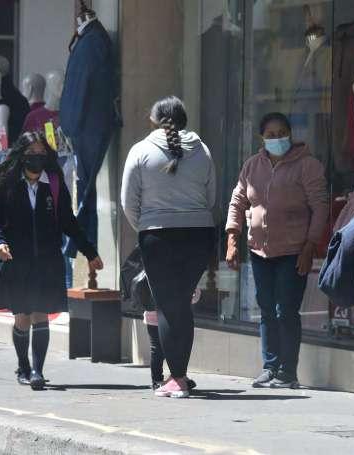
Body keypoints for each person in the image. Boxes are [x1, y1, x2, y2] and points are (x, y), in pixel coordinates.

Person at [0, 132, 104, 390]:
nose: (36, 159)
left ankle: (38, 370)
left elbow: (69, 221)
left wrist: (89, 252)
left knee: (41, 313)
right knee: (22, 316)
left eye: (41, 154)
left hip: (47, 261)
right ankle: (23, 366)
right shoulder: (7, 183)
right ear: (21, 155)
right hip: (16, 261)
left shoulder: (54, 184)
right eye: (31, 154)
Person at [121, 96, 216, 399]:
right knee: (181, 305)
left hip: (158, 236)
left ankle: (176, 378)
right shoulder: (202, 150)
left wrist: (146, 226)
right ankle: (180, 375)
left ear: (153, 121)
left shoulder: (141, 151)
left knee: (166, 306)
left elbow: (128, 202)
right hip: (199, 234)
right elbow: (211, 197)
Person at [226, 112, 328, 389]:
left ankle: (287, 372)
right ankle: (270, 366)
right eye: (271, 135)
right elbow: (238, 201)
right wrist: (232, 238)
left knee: (286, 310)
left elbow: (320, 206)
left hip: (293, 251)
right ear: (262, 138)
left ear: (290, 135)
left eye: (282, 133)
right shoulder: (252, 165)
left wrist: (310, 246)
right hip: (260, 251)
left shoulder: (307, 165)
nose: (277, 139)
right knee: (267, 309)